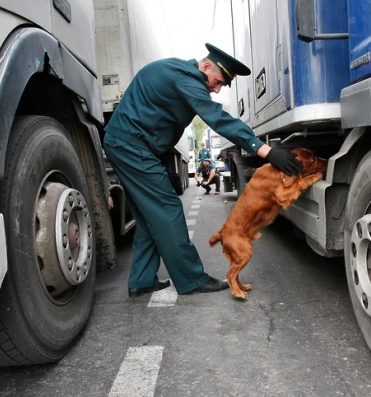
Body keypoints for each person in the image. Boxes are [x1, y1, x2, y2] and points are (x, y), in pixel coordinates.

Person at [103, 42, 302, 297]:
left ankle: (141, 279)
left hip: (129, 144)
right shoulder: (186, 78)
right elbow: (217, 118)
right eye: (217, 81)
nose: (217, 89)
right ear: (206, 66)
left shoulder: (179, 73)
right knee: (168, 209)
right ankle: (192, 279)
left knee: (148, 216)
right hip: (132, 146)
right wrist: (266, 151)